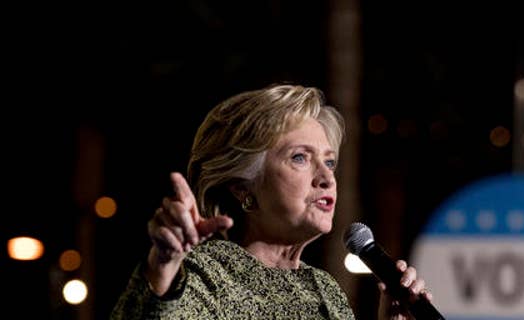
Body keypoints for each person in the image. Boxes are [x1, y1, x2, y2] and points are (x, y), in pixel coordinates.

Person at [110, 83, 432, 319]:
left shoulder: (327, 291)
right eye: (300, 158)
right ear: (242, 187)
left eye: (330, 162)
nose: (326, 177)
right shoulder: (204, 275)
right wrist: (162, 270)